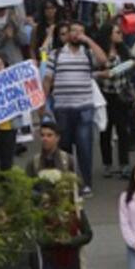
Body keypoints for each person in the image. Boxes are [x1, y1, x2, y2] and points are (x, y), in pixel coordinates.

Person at [44, 21, 108, 195]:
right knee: (64, 149)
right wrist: (44, 105)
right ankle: (67, 184)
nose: (76, 34)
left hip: (84, 108)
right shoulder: (56, 54)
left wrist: (88, 40)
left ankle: (86, 183)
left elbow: (103, 60)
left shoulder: (87, 53)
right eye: (74, 31)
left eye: (80, 31)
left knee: (84, 147)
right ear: (68, 33)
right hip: (62, 108)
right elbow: (48, 80)